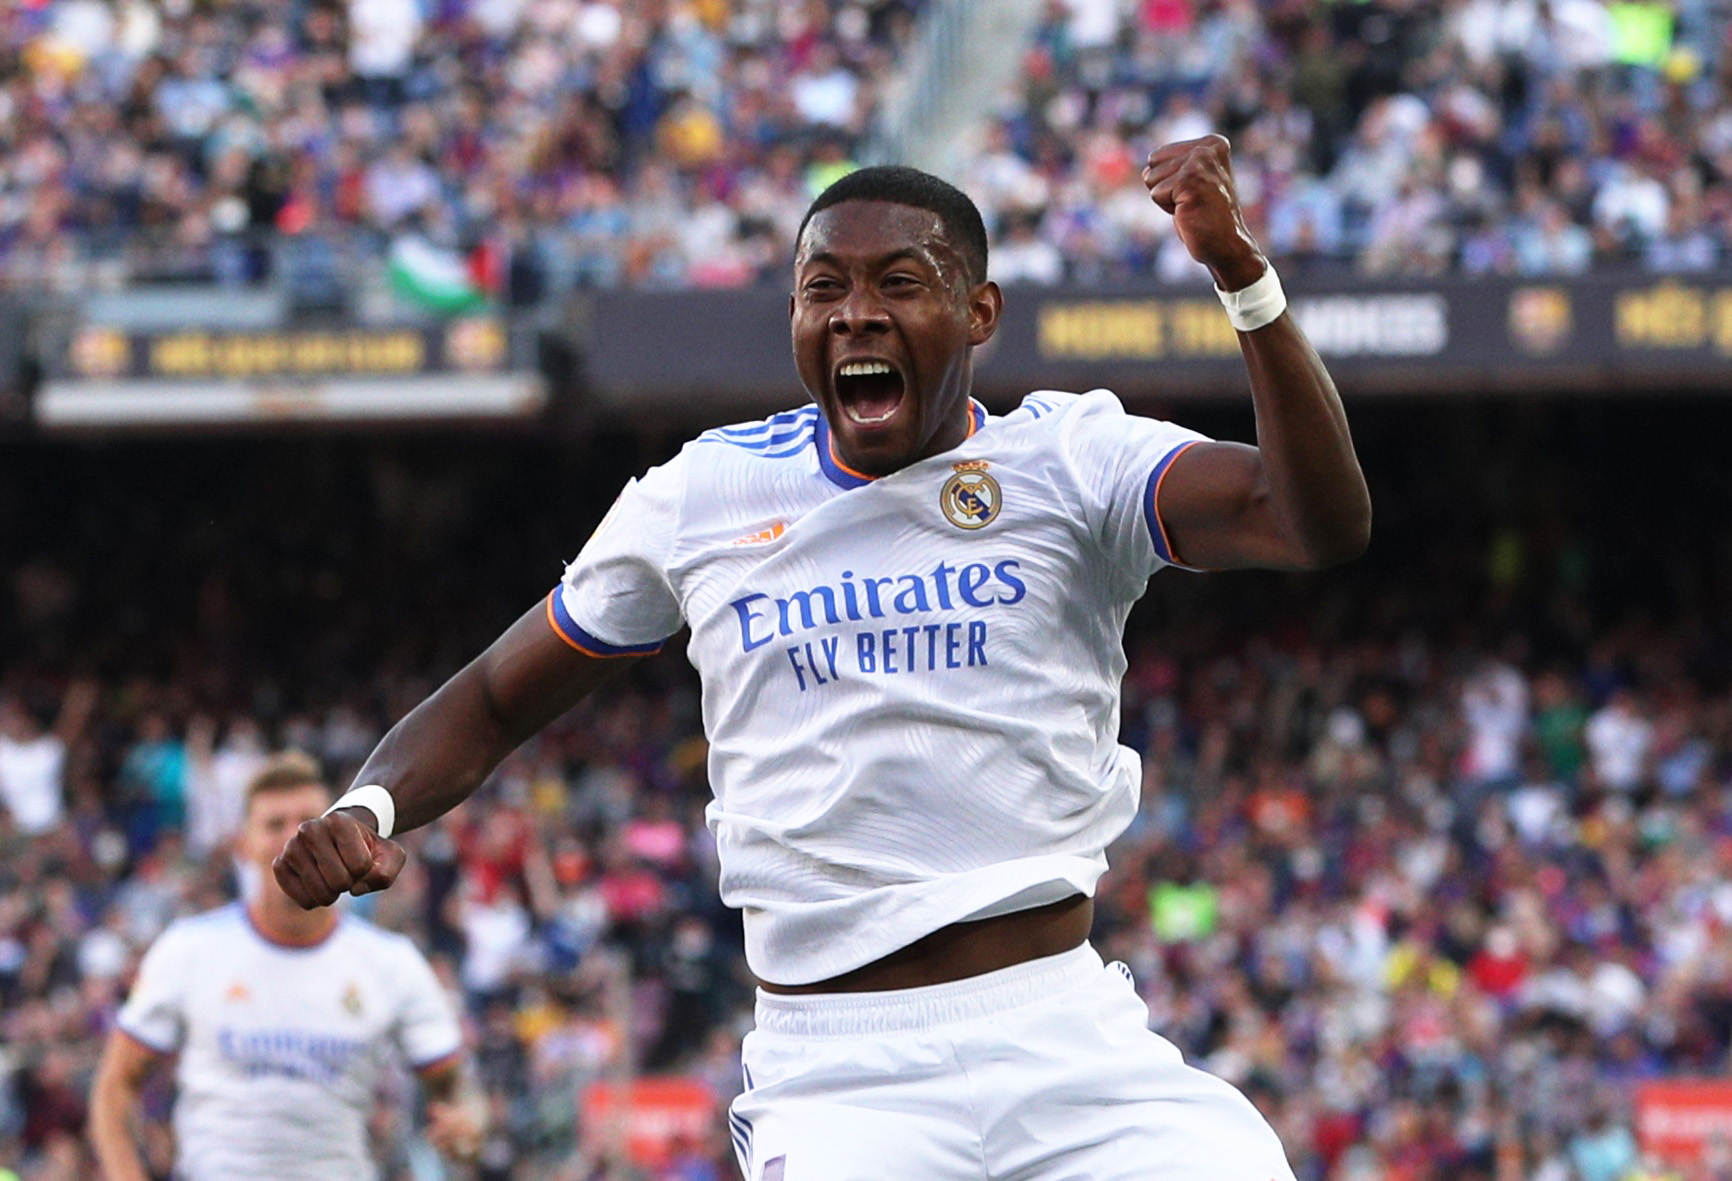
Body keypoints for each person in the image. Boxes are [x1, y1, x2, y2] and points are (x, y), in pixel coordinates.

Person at [275, 136, 1371, 1179]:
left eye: (899, 282)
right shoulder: (701, 496)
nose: (856, 313)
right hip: (841, 1066)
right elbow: (492, 698)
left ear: (978, 310)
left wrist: (1241, 275)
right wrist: (368, 807)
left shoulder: (1072, 458)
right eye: (823, 289)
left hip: (1063, 1030)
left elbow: (1311, 522)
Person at [90, 752, 483, 1181]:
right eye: (274, 824)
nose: (294, 836)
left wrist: (467, 1124)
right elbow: (116, 1085)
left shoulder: (391, 963)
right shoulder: (189, 950)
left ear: (339, 835)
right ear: (243, 843)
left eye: (309, 821)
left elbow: (455, 1089)